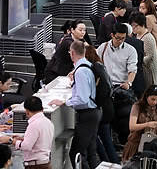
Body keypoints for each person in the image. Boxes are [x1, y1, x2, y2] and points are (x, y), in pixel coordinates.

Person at [49, 41, 101, 169]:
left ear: (72, 53)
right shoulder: (86, 66)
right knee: (90, 152)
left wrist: (65, 102)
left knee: (76, 153)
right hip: (94, 112)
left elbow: (82, 99)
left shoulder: (81, 71)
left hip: (87, 115)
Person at [122, 85, 157, 162]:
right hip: (136, 145)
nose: (154, 102)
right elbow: (132, 127)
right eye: (152, 99)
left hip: (151, 147)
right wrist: (147, 124)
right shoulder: (137, 106)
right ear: (146, 96)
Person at [0, 96, 54, 169]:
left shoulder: (34, 125)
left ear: (27, 112)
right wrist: (23, 139)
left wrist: (10, 140)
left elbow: (26, 146)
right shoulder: (48, 122)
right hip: (45, 163)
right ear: (42, 109)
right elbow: (39, 141)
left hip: (36, 166)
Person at [84, 46, 119, 164]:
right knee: (103, 139)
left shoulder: (94, 68)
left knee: (100, 139)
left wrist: (95, 104)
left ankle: (111, 162)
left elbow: (102, 89)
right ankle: (110, 162)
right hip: (107, 107)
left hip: (102, 109)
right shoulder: (99, 66)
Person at [97, 23, 138, 91]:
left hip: (121, 86)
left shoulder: (131, 50)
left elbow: (132, 70)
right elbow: (94, 61)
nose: (120, 41)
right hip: (105, 85)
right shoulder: (103, 47)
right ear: (112, 35)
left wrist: (128, 83)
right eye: (118, 38)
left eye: (123, 38)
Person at [44, 19, 87, 84]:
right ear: (72, 30)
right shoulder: (68, 41)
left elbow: (89, 49)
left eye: (84, 30)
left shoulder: (80, 39)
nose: (83, 32)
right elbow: (79, 56)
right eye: (80, 30)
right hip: (55, 72)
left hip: (65, 71)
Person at [129, 13, 157, 89]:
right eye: (132, 25)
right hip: (143, 70)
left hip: (150, 72)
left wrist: (136, 61)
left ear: (142, 24)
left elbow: (149, 57)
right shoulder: (137, 35)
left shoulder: (148, 38)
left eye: (135, 26)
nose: (133, 28)